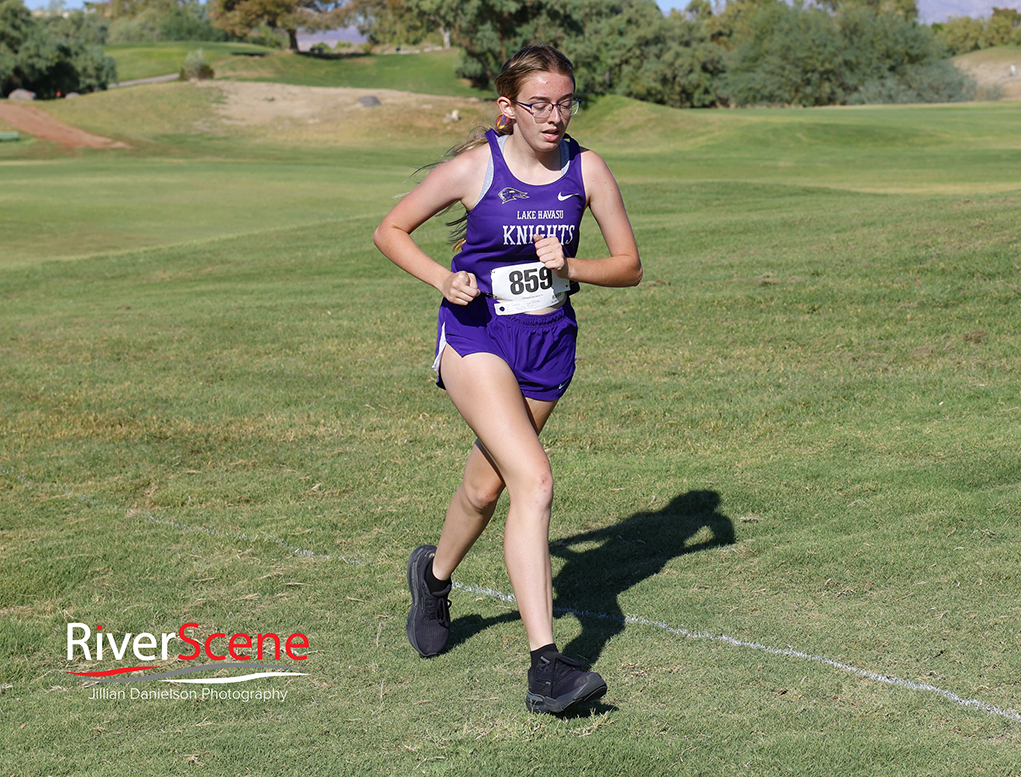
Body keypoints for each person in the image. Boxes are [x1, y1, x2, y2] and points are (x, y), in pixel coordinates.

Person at [373, 43, 642, 715]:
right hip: (477, 335)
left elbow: (629, 265)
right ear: (508, 108)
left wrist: (570, 267)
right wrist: (442, 277)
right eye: (538, 104)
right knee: (535, 479)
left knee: (485, 484)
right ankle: (545, 667)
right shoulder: (473, 167)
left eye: (564, 102)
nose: (554, 116)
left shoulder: (587, 169)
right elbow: (391, 229)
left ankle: (433, 576)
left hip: (548, 343)